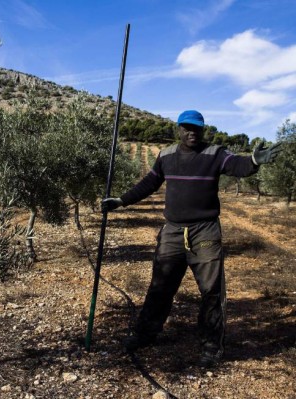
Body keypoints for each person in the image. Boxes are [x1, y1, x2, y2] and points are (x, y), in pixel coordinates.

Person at [102, 110, 282, 368]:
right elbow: (149, 184)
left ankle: (211, 345)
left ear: (203, 130)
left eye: (196, 128)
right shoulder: (166, 156)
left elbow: (238, 166)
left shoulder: (215, 154)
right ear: (178, 129)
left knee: (211, 291)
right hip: (173, 231)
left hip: (205, 231)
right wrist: (121, 201)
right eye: (186, 127)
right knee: (160, 287)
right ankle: (145, 334)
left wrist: (254, 160)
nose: (191, 132)